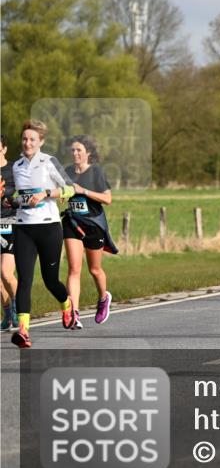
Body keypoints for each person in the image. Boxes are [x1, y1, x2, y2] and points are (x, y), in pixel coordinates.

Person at [10, 120, 77, 348]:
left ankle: (67, 305)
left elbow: (71, 188)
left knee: (50, 281)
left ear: (41, 142)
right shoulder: (16, 166)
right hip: (24, 228)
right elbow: (12, 197)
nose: (27, 143)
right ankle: (23, 331)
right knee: (25, 280)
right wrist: (15, 199)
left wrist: (47, 193)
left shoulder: (49, 162)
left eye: (32, 139)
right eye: (24, 139)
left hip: (49, 228)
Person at [62, 135, 118, 328]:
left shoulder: (96, 172)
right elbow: (62, 191)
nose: (75, 153)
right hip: (72, 222)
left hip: (93, 224)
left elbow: (108, 199)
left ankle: (103, 298)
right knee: (73, 268)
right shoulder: (67, 172)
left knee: (94, 270)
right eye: (73, 150)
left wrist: (83, 191)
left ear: (88, 153)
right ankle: (74, 314)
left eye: (79, 150)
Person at [0, 135, 18, 332]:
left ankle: (16, 307)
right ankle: (6, 313)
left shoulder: (15, 169)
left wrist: (8, 197)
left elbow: (24, 192)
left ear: (4, 149)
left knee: (6, 272)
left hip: (11, 222)